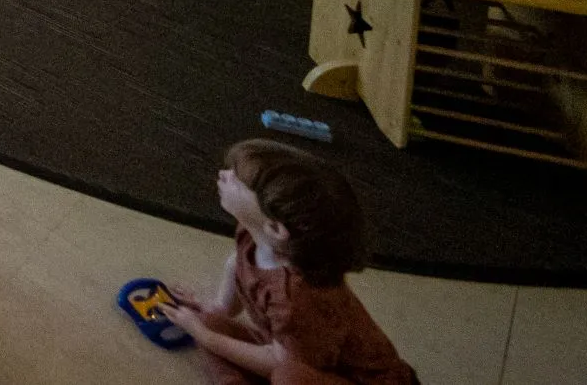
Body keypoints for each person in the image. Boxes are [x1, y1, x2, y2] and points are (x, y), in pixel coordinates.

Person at [168, 140, 419, 385]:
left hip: (350, 378)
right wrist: (216, 309)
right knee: (210, 322)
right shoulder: (254, 232)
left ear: (275, 228)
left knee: (288, 376)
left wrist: (205, 337)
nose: (223, 175)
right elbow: (237, 265)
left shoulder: (296, 296)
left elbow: (280, 363)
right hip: (298, 357)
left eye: (237, 180)